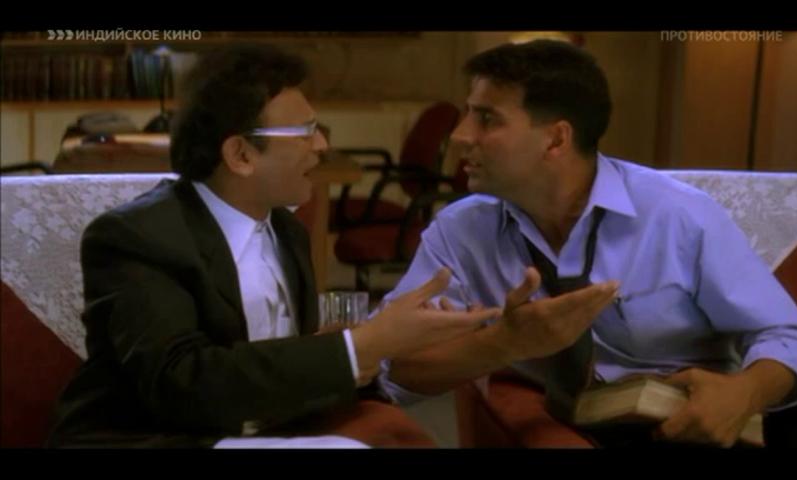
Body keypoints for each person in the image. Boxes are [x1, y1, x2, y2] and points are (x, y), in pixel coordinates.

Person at [378, 39, 797, 447]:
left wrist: (744, 393)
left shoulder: (677, 214)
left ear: (556, 139)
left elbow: (785, 333)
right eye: (467, 114)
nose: (460, 136)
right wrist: (504, 343)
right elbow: (395, 365)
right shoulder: (461, 232)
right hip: (585, 428)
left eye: (486, 118)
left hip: (701, 414)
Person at [46, 44, 499, 448]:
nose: (321, 146)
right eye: (305, 132)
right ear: (241, 155)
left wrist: (395, 340)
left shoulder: (287, 230)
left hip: (267, 431)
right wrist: (360, 345)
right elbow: (181, 383)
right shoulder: (139, 237)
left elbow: (280, 366)